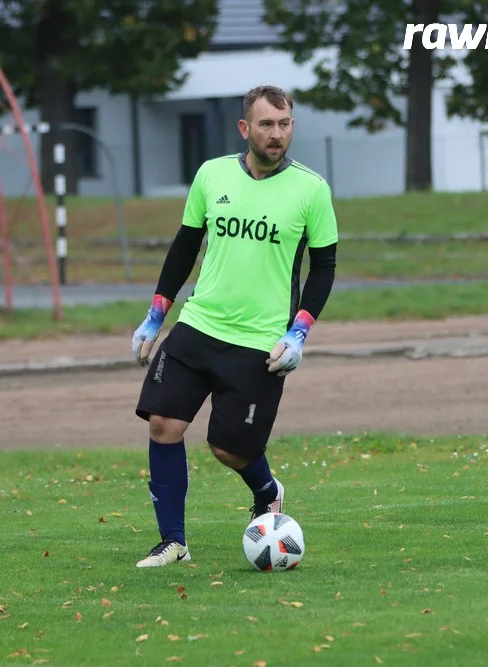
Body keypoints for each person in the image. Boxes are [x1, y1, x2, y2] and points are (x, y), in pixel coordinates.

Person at [130, 85, 339, 568]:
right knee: (163, 424)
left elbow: (324, 269)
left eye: (284, 124)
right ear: (245, 129)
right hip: (199, 325)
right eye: (266, 125)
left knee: (227, 448)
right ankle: (173, 543)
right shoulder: (212, 175)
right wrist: (157, 313)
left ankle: (267, 490)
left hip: (258, 341)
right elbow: (185, 247)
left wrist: (299, 331)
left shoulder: (311, 190)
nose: (276, 134)